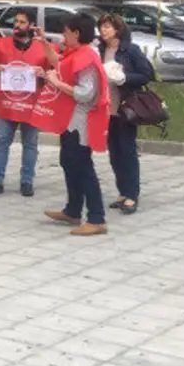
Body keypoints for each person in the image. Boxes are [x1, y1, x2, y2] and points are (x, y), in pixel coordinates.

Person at [42, 12, 111, 236]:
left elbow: (85, 93)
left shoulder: (87, 58)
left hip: (81, 121)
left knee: (82, 167)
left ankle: (97, 218)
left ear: (76, 33)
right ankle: (73, 210)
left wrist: (55, 82)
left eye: (67, 31)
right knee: (68, 161)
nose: (63, 35)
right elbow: (58, 63)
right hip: (69, 120)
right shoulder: (76, 53)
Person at [0, 10, 58, 197]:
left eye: (22, 22)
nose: (17, 25)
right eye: (15, 21)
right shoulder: (0, 45)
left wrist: (44, 74)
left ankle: (26, 181)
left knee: (30, 144)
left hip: (31, 105)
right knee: (1, 142)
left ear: (31, 25)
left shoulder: (45, 48)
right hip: (7, 104)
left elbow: (57, 73)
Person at [97, 13, 153, 216]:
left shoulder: (130, 50)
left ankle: (132, 194)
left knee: (127, 151)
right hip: (106, 109)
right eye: (102, 27)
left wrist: (124, 78)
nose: (104, 30)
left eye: (108, 27)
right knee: (114, 152)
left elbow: (146, 74)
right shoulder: (101, 50)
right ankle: (122, 192)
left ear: (118, 30)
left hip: (126, 108)